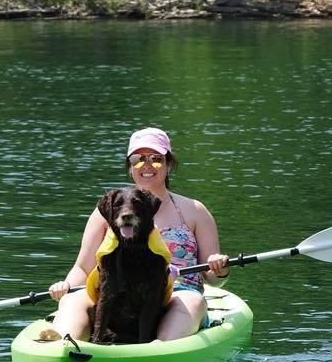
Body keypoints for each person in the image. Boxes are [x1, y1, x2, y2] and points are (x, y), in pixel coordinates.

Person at [45, 127, 230, 341]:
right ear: (130, 167)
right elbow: (83, 268)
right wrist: (66, 286)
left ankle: (159, 350)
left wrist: (219, 269)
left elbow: (212, 279)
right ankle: (65, 343)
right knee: (72, 301)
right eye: (138, 159)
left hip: (177, 292)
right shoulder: (108, 210)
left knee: (192, 302)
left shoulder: (195, 211)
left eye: (156, 159)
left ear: (169, 164)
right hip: (117, 293)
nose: (147, 165)